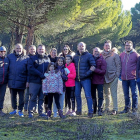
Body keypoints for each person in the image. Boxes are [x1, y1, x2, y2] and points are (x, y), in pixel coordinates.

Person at [73, 42, 96, 118]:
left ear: (85, 47)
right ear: (77, 47)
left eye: (82, 46)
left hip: (86, 79)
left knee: (88, 96)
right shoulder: (75, 56)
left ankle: (90, 112)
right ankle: (79, 111)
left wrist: (86, 74)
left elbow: (93, 66)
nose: (81, 47)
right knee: (77, 95)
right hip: (77, 80)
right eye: (80, 46)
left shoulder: (89, 55)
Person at [28, 44, 50, 118]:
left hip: (44, 82)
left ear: (45, 50)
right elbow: (31, 68)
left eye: (42, 49)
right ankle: (30, 112)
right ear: (37, 50)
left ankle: (41, 112)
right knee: (33, 97)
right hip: (34, 81)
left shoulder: (47, 59)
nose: (41, 50)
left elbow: (50, 69)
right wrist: (40, 75)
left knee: (41, 98)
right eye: (40, 49)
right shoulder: (33, 58)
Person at [8, 43, 28, 117]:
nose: (18, 50)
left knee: (21, 97)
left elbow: (28, 71)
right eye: (17, 48)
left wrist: (27, 81)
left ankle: (20, 110)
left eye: (20, 48)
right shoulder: (10, 56)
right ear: (14, 49)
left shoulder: (26, 58)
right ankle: (14, 109)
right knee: (13, 96)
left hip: (22, 81)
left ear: (22, 49)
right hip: (12, 80)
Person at [102, 40, 121, 115]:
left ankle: (115, 109)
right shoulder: (101, 55)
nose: (107, 47)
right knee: (106, 94)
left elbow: (118, 65)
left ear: (111, 46)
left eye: (109, 45)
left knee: (114, 93)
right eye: (106, 45)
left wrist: (117, 74)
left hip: (113, 76)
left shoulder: (115, 55)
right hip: (104, 77)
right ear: (104, 46)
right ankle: (107, 108)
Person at [120, 40, 139, 115]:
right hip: (124, 78)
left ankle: (134, 109)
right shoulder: (122, 55)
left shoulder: (136, 55)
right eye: (126, 45)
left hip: (133, 78)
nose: (127, 47)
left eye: (129, 45)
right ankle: (127, 109)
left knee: (134, 94)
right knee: (126, 94)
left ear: (132, 46)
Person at [59, 45, 75, 113]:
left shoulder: (72, 66)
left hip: (71, 84)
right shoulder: (64, 66)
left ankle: (73, 110)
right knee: (67, 97)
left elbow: (74, 75)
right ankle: (69, 109)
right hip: (65, 84)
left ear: (71, 60)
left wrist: (67, 75)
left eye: (69, 59)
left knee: (72, 97)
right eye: (66, 59)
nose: (67, 60)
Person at [91, 47, 107, 116]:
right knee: (93, 96)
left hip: (100, 81)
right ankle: (94, 109)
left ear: (100, 52)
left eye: (97, 51)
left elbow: (103, 71)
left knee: (100, 96)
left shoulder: (102, 60)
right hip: (92, 81)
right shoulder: (90, 59)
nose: (96, 53)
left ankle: (100, 109)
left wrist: (95, 70)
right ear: (93, 52)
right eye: (95, 51)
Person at [24, 45, 37, 114]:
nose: (32, 51)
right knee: (27, 95)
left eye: (34, 49)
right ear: (29, 50)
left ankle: (34, 109)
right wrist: (27, 80)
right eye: (31, 49)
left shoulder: (37, 57)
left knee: (34, 95)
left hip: (35, 80)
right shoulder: (26, 58)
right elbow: (27, 70)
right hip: (28, 79)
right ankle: (25, 109)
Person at [44, 48, 58, 113]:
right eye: (52, 52)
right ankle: (47, 109)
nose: (53, 54)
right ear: (50, 53)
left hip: (55, 81)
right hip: (48, 81)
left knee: (55, 97)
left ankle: (56, 110)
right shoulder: (47, 59)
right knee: (47, 97)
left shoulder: (58, 60)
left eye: (55, 53)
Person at [0, 46, 9, 116]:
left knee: (2, 96)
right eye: (1, 51)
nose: (2, 53)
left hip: (4, 82)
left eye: (4, 51)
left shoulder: (7, 59)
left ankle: (0, 110)